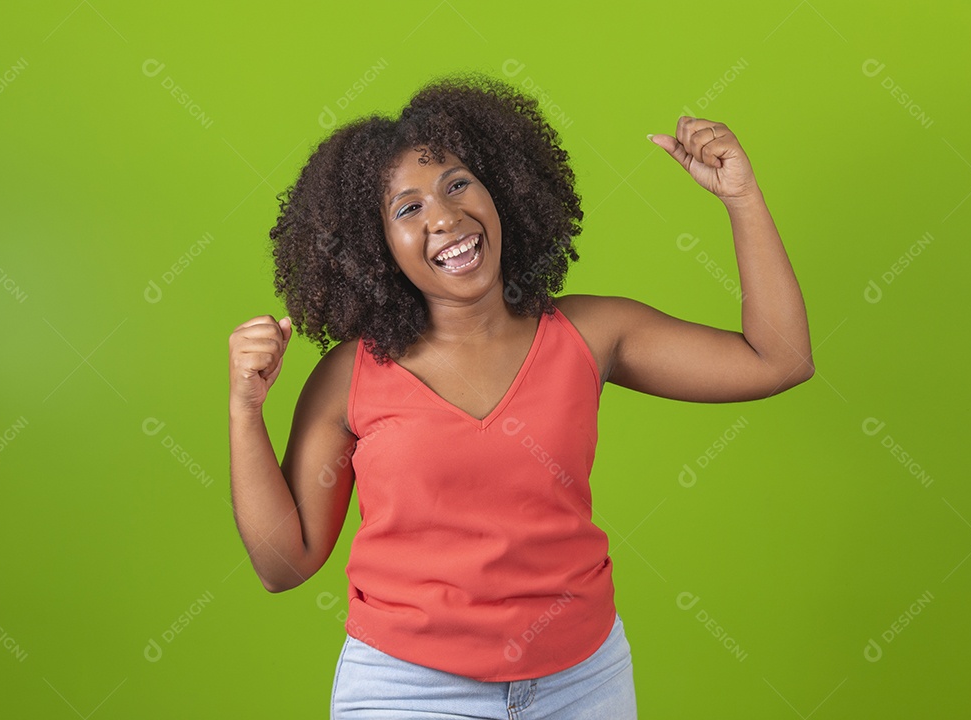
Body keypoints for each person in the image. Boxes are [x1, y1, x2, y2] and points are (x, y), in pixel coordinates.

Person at [228, 75, 813, 719]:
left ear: (502, 188)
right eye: (407, 208)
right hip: (410, 691)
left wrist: (743, 198)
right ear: (376, 247)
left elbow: (777, 359)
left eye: (456, 183)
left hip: (584, 683)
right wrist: (245, 411)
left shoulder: (592, 334)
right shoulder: (350, 377)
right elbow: (284, 565)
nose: (445, 216)